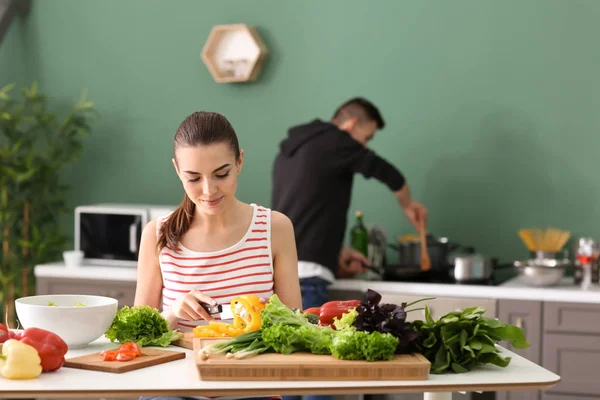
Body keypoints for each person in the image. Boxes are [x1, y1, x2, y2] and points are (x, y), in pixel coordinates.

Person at [134, 111, 302, 400]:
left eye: (221, 174)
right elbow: (137, 338)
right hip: (174, 390)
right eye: (193, 178)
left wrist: (267, 318)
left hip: (252, 390)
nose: (209, 190)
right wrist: (173, 313)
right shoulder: (157, 234)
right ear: (177, 170)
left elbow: (294, 329)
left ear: (239, 162)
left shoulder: (274, 228)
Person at [272, 96, 428, 309]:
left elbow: (303, 215)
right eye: (367, 137)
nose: (364, 145)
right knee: (309, 342)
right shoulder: (337, 141)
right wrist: (408, 205)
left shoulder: (294, 148)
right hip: (309, 280)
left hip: (282, 270)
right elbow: (391, 175)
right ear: (352, 124)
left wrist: (338, 250)